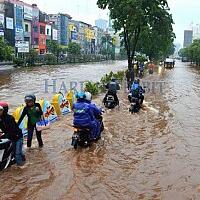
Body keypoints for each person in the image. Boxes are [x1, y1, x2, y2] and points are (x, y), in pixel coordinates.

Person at [0, 102, 25, 166]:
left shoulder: (10, 118)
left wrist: (3, 136)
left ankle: (21, 167)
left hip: (18, 137)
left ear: (4, 110)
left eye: (0, 110)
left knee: (17, 154)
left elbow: (13, 131)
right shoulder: (0, 119)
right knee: (15, 152)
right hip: (11, 138)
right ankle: (23, 158)